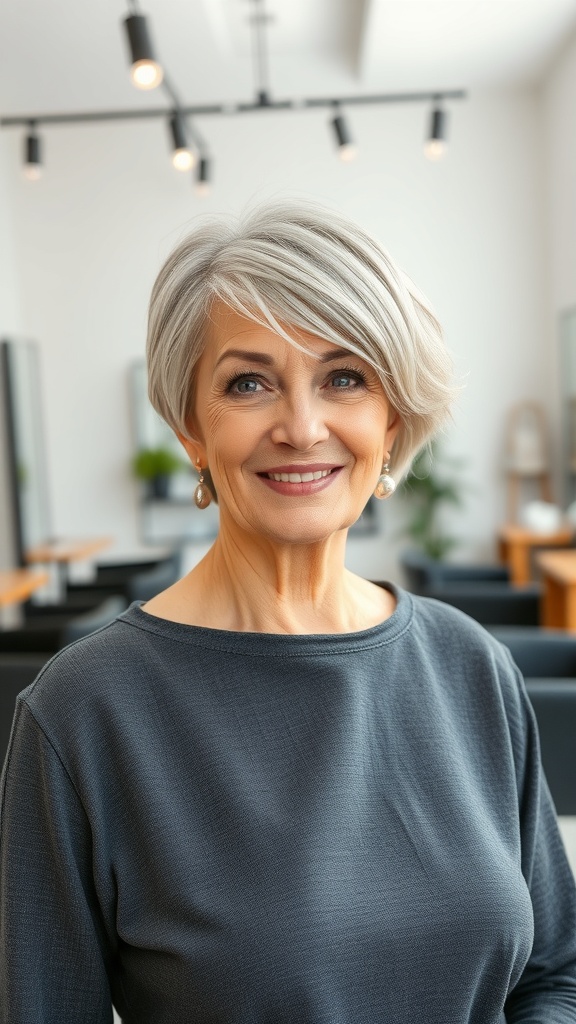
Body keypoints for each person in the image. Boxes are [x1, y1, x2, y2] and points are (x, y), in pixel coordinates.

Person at [1, 201, 575, 1024]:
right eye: (248, 383)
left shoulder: (469, 665)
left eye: (344, 377)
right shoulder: (84, 711)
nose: (302, 427)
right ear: (191, 427)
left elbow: (557, 973)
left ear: (391, 417)